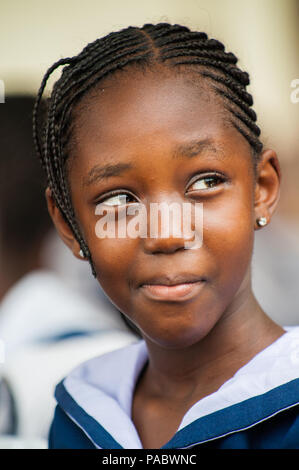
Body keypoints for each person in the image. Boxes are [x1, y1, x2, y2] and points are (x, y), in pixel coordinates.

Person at [33, 23, 299, 449]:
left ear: (261, 190)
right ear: (69, 225)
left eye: (206, 182)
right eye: (119, 199)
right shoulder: (79, 417)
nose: (166, 234)